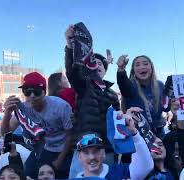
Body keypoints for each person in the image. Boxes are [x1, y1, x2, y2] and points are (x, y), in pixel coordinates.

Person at [65, 25, 120, 177]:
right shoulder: (84, 86)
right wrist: (70, 47)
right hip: (84, 148)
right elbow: (72, 72)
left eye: (102, 64)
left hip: (107, 149)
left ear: (105, 69)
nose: (98, 65)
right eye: (95, 63)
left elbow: (118, 123)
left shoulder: (113, 95)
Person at [0, 72, 73, 179]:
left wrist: (60, 159)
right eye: (27, 92)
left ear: (44, 92)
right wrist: (7, 113)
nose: (32, 96)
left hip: (65, 148)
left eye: (37, 92)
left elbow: (70, 135)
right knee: (28, 174)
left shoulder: (60, 106)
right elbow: (6, 134)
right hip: (44, 148)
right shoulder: (23, 109)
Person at [75, 111, 153, 179]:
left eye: (96, 151)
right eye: (86, 153)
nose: (92, 157)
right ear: (79, 157)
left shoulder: (121, 172)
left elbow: (145, 167)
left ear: (104, 153)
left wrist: (134, 133)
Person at [117, 55, 165, 137]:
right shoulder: (131, 85)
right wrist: (121, 69)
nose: (142, 67)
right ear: (133, 70)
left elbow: (166, 107)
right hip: (139, 133)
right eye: (137, 65)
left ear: (151, 67)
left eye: (145, 64)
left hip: (159, 132)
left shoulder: (160, 85)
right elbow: (123, 85)